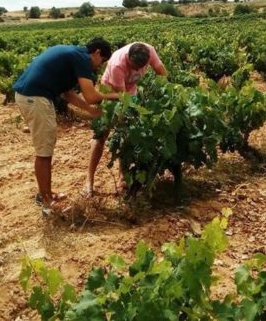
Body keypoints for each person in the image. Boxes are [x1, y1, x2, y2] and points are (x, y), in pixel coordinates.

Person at [13, 38, 119, 216]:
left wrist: (89, 111)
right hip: (35, 97)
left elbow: (67, 93)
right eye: (101, 61)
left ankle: (46, 193)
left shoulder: (74, 55)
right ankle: (47, 202)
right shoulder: (82, 59)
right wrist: (118, 96)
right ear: (97, 52)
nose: (99, 66)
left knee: (46, 146)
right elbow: (91, 96)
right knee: (44, 150)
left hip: (30, 95)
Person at [84, 42, 167, 196]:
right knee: (101, 136)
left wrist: (167, 94)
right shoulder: (117, 64)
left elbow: (162, 73)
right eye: (133, 66)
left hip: (130, 94)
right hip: (111, 93)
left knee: (128, 135)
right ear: (128, 58)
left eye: (140, 67)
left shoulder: (150, 51)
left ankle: (123, 177)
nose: (136, 70)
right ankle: (89, 181)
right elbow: (123, 99)